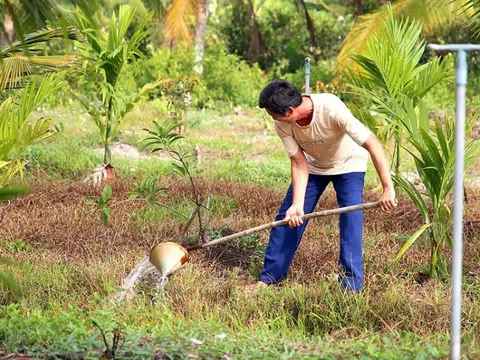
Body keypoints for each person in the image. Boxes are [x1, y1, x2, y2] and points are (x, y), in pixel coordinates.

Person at [253, 79, 396, 292]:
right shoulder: (282, 123)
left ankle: (351, 287)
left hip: (349, 163)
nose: (273, 120)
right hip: (313, 166)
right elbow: (298, 162)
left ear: (290, 110)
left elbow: (372, 143)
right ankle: (269, 279)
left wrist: (387, 187)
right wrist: (297, 205)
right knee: (288, 218)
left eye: (274, 115)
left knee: (351, 220)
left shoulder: (331, 108)